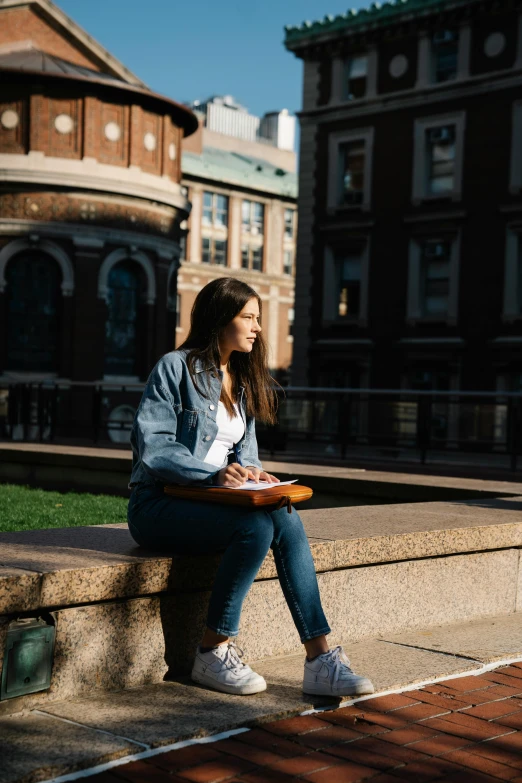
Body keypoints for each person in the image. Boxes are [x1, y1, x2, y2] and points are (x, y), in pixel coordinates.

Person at [127, 277, 374, 698]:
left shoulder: (240, 380)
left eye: (258, 318)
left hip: (213, 503)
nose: (258, 327)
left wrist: (254, 474)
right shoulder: (175, 367)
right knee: (255, 529)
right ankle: (212, 650)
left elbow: (246, 453)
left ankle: (320, 659)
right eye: (249, 317)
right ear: (220, 319)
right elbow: (154, 445)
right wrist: (211, 475)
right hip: (158, 505)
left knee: (283, 514)